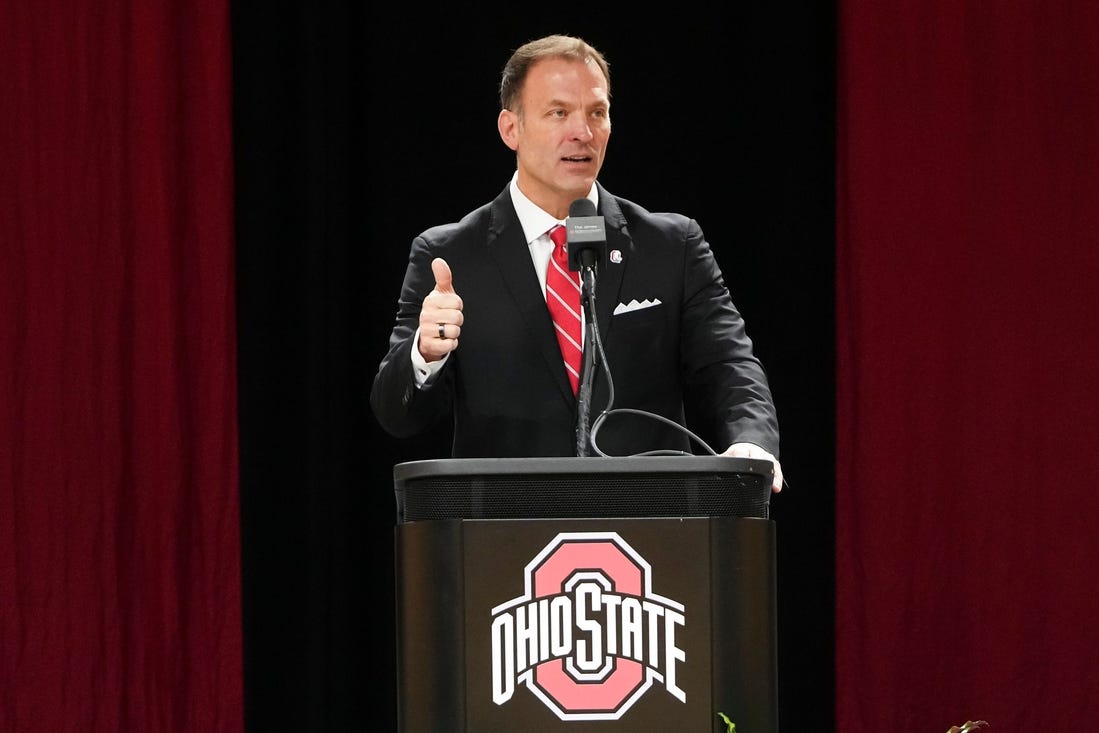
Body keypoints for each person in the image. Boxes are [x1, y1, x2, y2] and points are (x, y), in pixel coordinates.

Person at [370, 34, 784, 493]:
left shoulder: (671, 245)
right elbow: (396, 414)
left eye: (596, 113)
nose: (582, 133)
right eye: (558, 112)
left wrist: (752, 442)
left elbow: (729, 364)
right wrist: (425, 353)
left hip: (653, 526)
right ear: (511, 129)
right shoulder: (451, 256)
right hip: (506, 531)